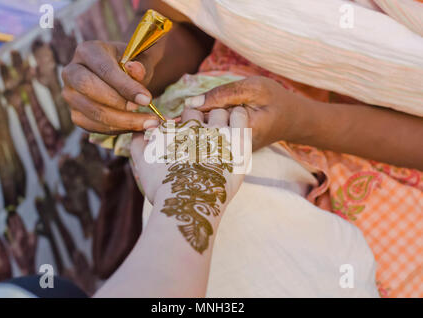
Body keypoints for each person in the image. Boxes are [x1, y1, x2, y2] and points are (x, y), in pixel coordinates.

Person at [62, 0, 423, 297]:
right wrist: (140, 67)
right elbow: (194, 18)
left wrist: (305, 121)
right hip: (239, 96)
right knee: (232, 213)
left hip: (389, 151)